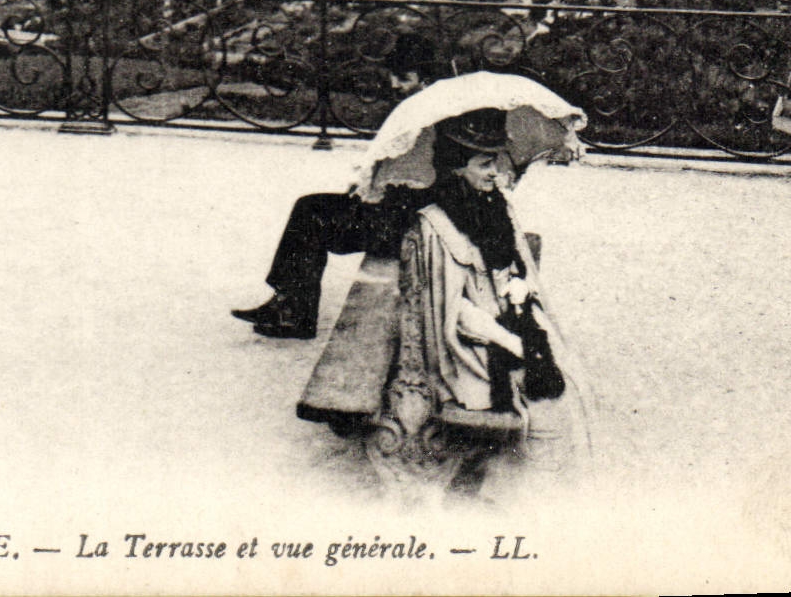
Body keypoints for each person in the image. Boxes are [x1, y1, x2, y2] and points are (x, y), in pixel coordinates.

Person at [231, 32, 439, 339]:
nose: (395, 85)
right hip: (401, 212)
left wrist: (367, 188)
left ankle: (293, 312)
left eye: (404, 78)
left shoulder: (425, 115)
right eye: (394, 77)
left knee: (312, 214)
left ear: (425, 80)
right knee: (312, 207)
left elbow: (409, 176)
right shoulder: (427, 108)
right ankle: (287, 304)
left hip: (401, 222)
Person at [385, 109, 558, 431]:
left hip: (511, 316)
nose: (495, 173)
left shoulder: (497, 206)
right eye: (484, 164)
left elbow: (516, 266)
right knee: (534, 397)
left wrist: (519, 284)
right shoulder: (437, 225)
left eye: (496, 162)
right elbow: (453, 308)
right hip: (471, 342)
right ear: (457, 170)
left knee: (563, 376)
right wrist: (513, 342)